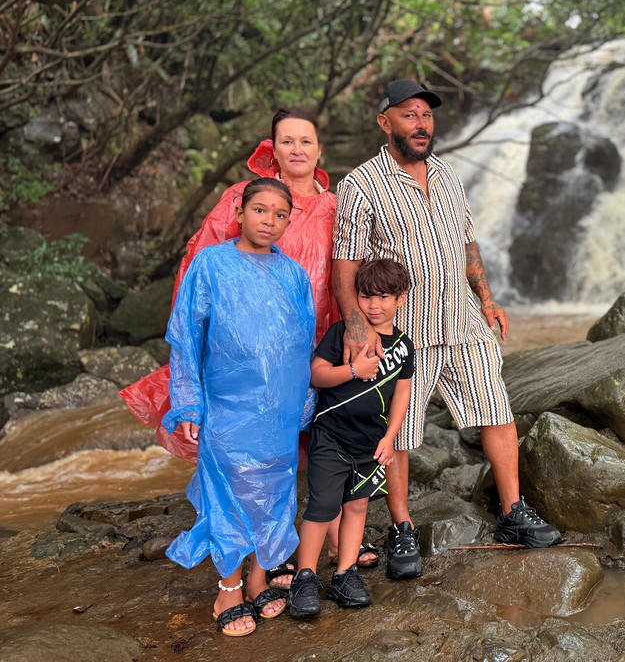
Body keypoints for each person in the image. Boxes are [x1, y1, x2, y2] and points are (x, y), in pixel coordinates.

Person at [120, 108, 374, 567]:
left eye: (306, 141)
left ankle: (326, 538)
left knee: (316, 437)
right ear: (271, 149)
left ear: (319, 151)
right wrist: (196, 350)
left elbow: (350, 267)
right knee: (249, 442)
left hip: (316, 336)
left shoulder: (337, 205)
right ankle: (253, 556)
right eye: (287, 141)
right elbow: (201, 264)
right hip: (244, 347)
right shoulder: (244, 197)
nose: (297, 149)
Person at [331, 79, 561, 581]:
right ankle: (401, 526)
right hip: (401, 332)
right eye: (409, 115)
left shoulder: (448, 175)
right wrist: (356, 325)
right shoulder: (360, 185)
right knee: (398, 434)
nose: (421, 124)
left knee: (497, 411)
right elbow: (344, 265)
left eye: (427, 116)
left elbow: (467, 244)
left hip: (462, 321)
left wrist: (487, 297)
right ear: (384, 122)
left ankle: (512, 511)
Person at [163, 177, 316, 638]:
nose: (270, 220)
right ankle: (227, 586)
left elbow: (303, 342)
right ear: (240, 213)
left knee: (272, 490)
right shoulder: (212, 263)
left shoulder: (294, 274)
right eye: (260, 210)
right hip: (228, 407)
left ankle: (258, 574)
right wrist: (189, 404)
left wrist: (304, 402)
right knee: (227, 492)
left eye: (281, 214)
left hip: (281, 411)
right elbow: (186, 337)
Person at [287, 259, 414, 616]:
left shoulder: (404, 347)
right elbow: (316, 374)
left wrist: (390, 438)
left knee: (357, 506)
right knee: (323, 507)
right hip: (330, 436)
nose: (373, 305)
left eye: (383, 297)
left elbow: (402, 394)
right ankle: (305, 577)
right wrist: (353, 370)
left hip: (371, 442)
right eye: (365, 296)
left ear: (400, 299)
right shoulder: (342, 332)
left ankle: (345, 573)